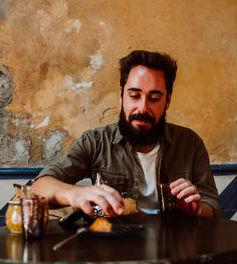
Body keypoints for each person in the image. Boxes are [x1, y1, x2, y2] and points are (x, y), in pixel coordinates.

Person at [32, 50, 220, 217]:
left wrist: (197, 210)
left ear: (168, 101)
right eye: (134, 95)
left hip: (175, 252)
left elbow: (212, 205)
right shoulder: (96, 142)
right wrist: (75, 194)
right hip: (114, 252)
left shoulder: (190, 143)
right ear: (121, 96)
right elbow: (39, 187)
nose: (143, 107)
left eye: (154, 98)